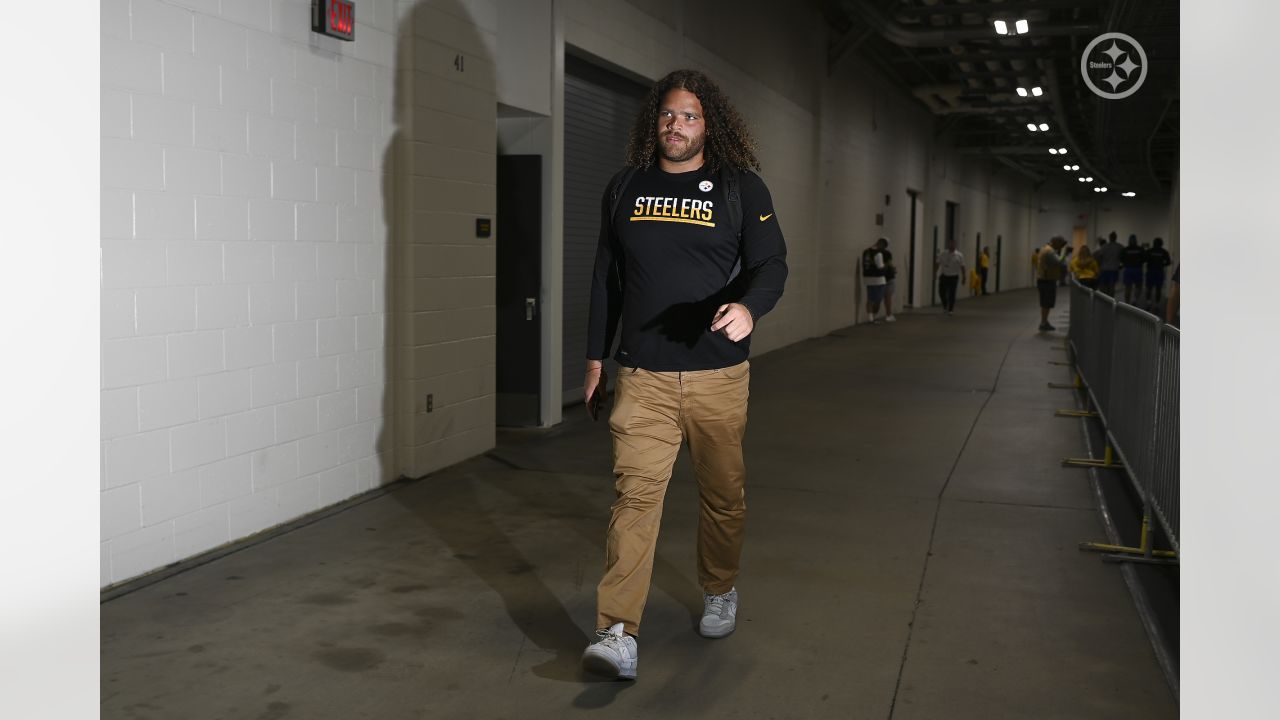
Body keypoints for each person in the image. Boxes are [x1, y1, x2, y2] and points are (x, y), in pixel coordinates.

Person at [581, 69, 788, 681]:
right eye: (668, 115)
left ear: (710, 124)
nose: (677, 125)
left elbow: (771, 263)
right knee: (635, 499)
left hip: (717, 377)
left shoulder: (739, 188)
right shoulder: (624, 188)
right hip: (642, 374)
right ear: (655, 122)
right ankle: (616, 631)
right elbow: (604, 278)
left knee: (723, 496)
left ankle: (719, 587)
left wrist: (750, 307)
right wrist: (595, 358)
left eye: (690, 115)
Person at [1035, 236, 1069, 331]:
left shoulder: (1045, 249)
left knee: (1046, 303)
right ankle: (1043, 323)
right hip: (1047, 280)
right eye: (1061, 244)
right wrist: (1063, 252)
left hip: (1045, 279)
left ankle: (1044, 321)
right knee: (1046, 303)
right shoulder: (1050, 251)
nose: (1061, 246)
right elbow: (1059, 261)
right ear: (1056, 242)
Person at [861, 237, 888, 323]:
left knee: (870, 299)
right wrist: (885, 266)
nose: (883, 249)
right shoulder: (878, 253)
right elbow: (880, 266)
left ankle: (870, 318)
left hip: (868, 278)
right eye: (884, 247)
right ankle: (874, 317)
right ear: (881, 244)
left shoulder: (866, 251)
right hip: (878, 279)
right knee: (878, 299)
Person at [935, 240, 965, 315]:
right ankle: (945, 305)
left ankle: (950, 309)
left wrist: (964, 276)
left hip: (954, 276)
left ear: (955, 245)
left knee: (952, 293)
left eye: (953, 244)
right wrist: (935, 273)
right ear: (948, 245)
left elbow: (962, 266)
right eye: (950, 244)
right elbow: (937, 263)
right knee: (941, 292)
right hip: (944, 275)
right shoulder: (943, 254)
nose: (951, 245)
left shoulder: (959, 255)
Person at [1145, 237, 1172, 304]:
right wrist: (1162, 264)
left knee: (1149, 288)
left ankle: (1148, 302)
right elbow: (1168, 262)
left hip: (1151, 271)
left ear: (1154, 243)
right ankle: (1157, 303)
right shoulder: (1164, 251)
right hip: (1159, 272)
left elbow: (1145, 260)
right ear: (1161, 244)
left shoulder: (1149, 251)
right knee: (1158, 289)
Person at [1120, 234, 1146, 304]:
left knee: (1128, 287)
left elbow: (1121, 259)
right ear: (1136, 240)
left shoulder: (1125, 249)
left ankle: (1127, 302)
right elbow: (1144, 259)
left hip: (1128, 269)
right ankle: (1135, 299)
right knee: (1138, 286)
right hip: (1137, 269)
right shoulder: (1140, 249)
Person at [1095, 232, 1124, 297]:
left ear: (1109, 238)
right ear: (1116, 238)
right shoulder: (1119, 247)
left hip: (1104, 269)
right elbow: (1123, 257)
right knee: (1112, 286)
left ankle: (1105, 298)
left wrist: (1100, 265)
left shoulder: (1104, 247)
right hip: (1113, 269)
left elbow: (1099, 257)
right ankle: (1111, 300)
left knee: (1104, 286)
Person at [881, 238, 898, 322]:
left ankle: (872, 315)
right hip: (889, 277)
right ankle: (888, 315)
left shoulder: (874, 252)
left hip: (880, 277)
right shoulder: (887, 253)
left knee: (877, 297)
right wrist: (894, 269)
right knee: (888, 297)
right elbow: (889, 264)